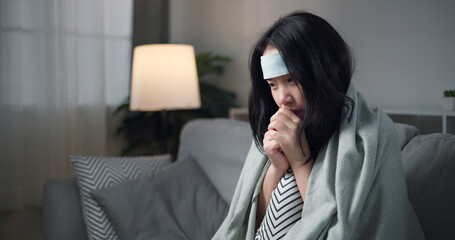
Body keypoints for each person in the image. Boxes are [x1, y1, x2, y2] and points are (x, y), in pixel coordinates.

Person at [212, 11, 425, 240]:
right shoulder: (274, 128)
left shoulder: (371, 135)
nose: (283, 98)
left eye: (292, 80)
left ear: (324, 72)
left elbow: (346, 230)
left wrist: (300, 162)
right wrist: (277, 167)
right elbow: (252, 223)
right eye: (273, 85)